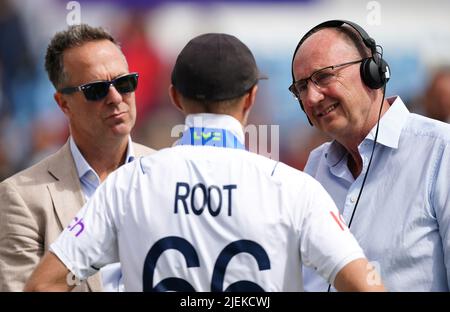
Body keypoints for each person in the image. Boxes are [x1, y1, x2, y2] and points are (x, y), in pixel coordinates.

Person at [24, 33, 384, 292]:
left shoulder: (126, 184)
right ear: (251, 98)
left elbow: (43, 285)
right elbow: (363, 285)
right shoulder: (295, 189)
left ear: (175, 98)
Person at [289, 20, 450, 291]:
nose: (312, 97)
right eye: (302, 87)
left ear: (372, 72)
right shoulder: (315, 165)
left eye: (323, 77)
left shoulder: (440, 150)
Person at [0, 24, 155, 292]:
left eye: (125, 82)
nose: (116, 97)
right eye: (96, 90)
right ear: (63, 104)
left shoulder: (169, 172)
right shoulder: (21, 197)